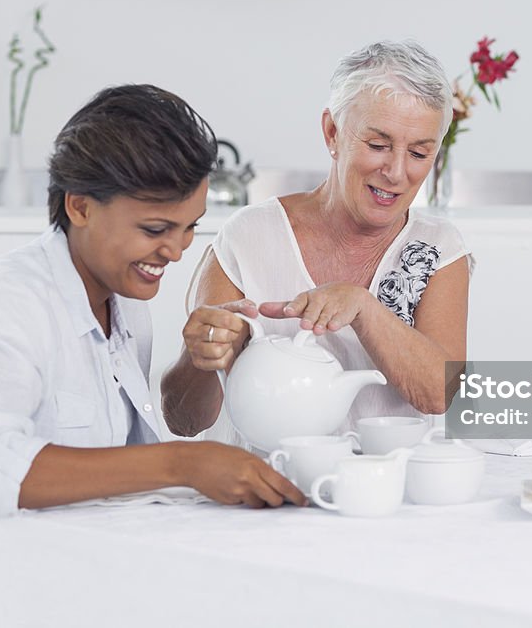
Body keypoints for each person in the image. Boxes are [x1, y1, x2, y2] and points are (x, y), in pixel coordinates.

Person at [0, 85, 304, 597]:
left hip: (84, 576)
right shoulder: (5, 303)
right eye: (156, 227)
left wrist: (203, 366)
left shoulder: (126, 300)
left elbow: (129, 457)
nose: (177, 250)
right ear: (80, 207)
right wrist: (183, 465)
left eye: (189, 228)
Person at [162, 40, 473, 445]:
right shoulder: (247, 238)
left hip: (381, 493)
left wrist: (364, 307)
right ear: (333, 132)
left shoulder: (438, 247)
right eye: (378, 145)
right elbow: (184, 421)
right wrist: (200, 357)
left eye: (418, 152)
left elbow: (439, 395)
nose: (397, 172)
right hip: (258, 492)